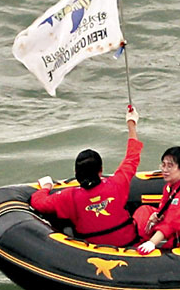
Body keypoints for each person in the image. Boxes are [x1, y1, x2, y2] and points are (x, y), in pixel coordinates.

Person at [29, 106, 143, 247]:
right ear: (101, 171)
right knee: (143, 212)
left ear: (76, 173)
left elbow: (38, 202)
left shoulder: (68, 197)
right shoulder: (118, 183)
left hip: (93, 252)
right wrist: (131, 123)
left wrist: (46, 187)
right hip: (131, 246)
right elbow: (132, 156)